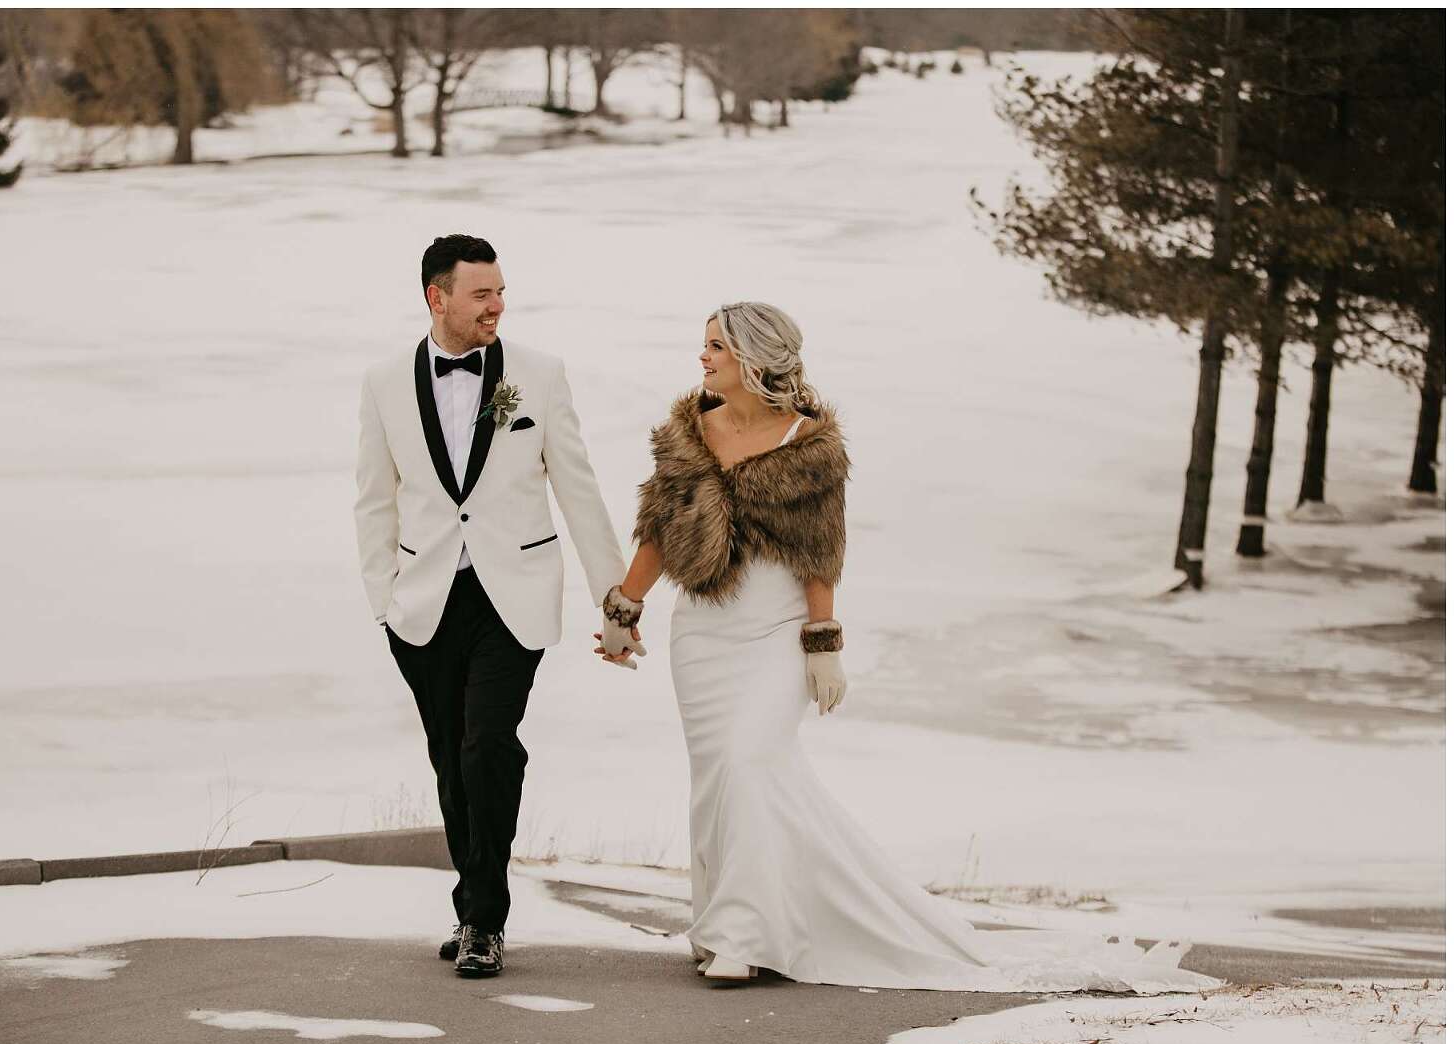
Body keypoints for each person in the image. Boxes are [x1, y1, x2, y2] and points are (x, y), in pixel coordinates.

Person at [598, 301, 1220, 993]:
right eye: (704, 344)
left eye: (716, 346)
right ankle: (718, 923)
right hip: (704, 638)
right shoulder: (688, 435)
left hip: (775, 636)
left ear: (755, 358)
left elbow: (821, 556)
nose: (703, 357)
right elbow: (657, 531)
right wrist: (625, 609)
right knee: (719, 780)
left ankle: (747, 933)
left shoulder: (810, 446)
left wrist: (822, 644)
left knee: (748, 763)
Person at [355, 234, 636, 978]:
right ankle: (471, 899)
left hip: (514, 596)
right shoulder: (384, 382)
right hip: (423, 601)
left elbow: (578, 488)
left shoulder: (538, 377)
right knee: (450, 758)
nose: (498, 306)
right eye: (482, 293)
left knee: (488, 746)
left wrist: (618, 600)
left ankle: (485, 920)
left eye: (502, 291)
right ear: (436, 297)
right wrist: (382, 599)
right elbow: (373, 502)